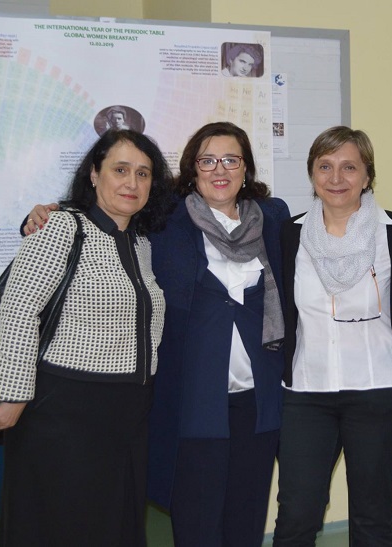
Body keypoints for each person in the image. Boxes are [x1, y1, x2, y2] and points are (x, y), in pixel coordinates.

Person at [23, 122, 289, 546]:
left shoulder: (273, 216)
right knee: (197, 520)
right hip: (192, 398)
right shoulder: (166, 220)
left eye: (230, 159)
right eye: (207, 160)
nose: (219, 169)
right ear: (192, 169)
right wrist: (45, 213)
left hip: (259, 400)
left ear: (246, 168)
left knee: (248, 515)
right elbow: (110, 211)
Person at [0, 129, 173, 546]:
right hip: (65, 412)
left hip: (127, 413)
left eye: (143, 173)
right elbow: (18, 311)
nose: (132, 182)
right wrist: (11, 394)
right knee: (61, 526)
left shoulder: (140, 242)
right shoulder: (61, 227)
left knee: (113, 524)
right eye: (120, 170)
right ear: (94, 174)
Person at [272, 126, 392, 546]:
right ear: (312, 174)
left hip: (378, 392)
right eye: (325, 166)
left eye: (349, 167)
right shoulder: (289, 235)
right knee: (297, 515)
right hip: (306, 394)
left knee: (371, 517)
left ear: (368, 176)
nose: (336, 178)